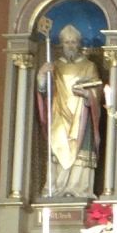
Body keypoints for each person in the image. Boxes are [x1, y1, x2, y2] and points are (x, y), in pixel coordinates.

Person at [38, 24, 105, 198]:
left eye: (74, 42)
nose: (70, 45)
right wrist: (42, 76)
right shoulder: (54, 67)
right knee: (58, 147)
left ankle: (77, 189)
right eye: (67, 42)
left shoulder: (89, 66)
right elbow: (44, 91)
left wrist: (87, 94)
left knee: (80, 151)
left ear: (79, 44)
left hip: (81, 115)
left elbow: (97, 91)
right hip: (59, 114)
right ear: (61, 44)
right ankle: (56, 187)